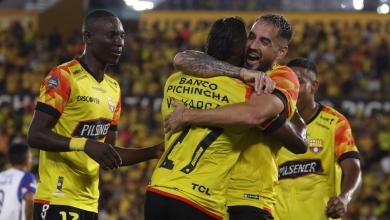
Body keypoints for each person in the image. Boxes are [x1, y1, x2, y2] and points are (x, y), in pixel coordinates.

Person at [145, 17, 305, 220]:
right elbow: (181, 59)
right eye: (251, 37)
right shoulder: (231, 74)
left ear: (281, 52)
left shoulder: (281, 76)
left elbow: (254, 114)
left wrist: (189, 115)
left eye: (264, 42)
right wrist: (241, 72)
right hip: (212, 197)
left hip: (249, 197)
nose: (253, 46)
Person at [27, 10, 162, 220]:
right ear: (88, 37)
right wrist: (85, 144)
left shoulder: (114, 88)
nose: (119, 42)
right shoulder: (63, 76)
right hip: (57, 198)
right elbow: (35, 135)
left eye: (122, 35)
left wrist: (153, 151)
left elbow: (109, 152)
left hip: (90, 204)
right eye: (112, 35)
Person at [274, 58, 362, 220]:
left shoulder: (335, 122)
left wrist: (344, 198)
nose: (292, 87)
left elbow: (353, 167)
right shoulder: (273, 121)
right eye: (288, 81)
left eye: (299, 81)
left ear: (314, 86)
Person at [0, 143, 36, 220]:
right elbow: (30, 198)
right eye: (30, 157)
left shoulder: (1, 175)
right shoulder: (26, 177)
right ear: (27, 160)